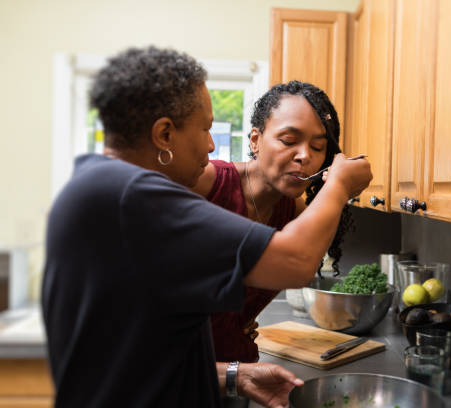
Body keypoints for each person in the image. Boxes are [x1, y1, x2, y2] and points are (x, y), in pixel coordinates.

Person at [41, 46, 372, 408]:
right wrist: (338, 185)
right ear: (165, 135)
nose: (212, 144)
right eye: (205, 128)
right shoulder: (131, 196)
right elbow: (294, 261)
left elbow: (136, 352)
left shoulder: (104, 187)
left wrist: (236, 374)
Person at [192, 81, 352, 367]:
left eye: (317, 146)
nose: (305, 156)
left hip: (238, 370)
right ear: (255, 141)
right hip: (181, 372)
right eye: (289, 141)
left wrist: (236, 321)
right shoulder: (206, 183)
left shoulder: (296, 213)